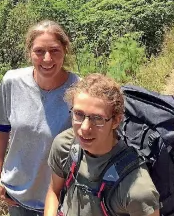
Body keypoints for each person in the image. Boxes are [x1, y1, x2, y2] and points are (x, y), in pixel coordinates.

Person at [0, 20, 80, 215]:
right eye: (39, 51)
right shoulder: (12, 82)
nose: (47, 59)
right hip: (17, 195)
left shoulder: (78, 90)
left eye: (54, 50)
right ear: (29, 52)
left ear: (65, 50)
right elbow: (1, 127)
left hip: (60, 199)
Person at [44, 74, 160, 216]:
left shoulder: (137, 190)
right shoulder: (64, 146)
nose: (85, 128)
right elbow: (54, 191)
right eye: (78, 114)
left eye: (97, 118)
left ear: (116, 121)